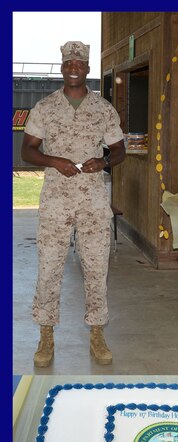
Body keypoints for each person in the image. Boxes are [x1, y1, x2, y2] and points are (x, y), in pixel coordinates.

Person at [22, 40, 125, 367]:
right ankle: (46, 335)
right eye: (68, 64)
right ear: (63, 67)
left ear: (87, 69)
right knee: (49, 266)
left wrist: (104, 161)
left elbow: (119, 149)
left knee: (97, 267)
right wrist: (54, 160)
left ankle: (97, 333)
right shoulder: (45, 107)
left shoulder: (103, 108)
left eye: (79, 64)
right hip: (56, 200)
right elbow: (27, 150)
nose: (73, 69)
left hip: (93, 201)